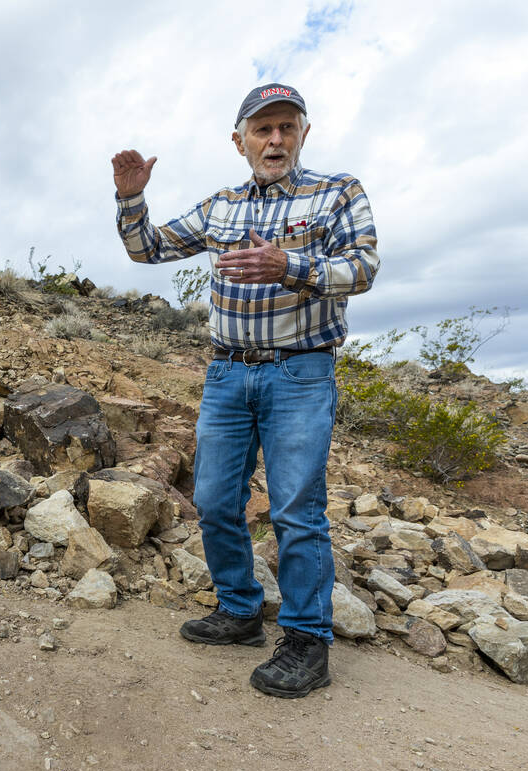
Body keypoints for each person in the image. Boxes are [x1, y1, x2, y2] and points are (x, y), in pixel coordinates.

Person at [111, 83, 379, 698]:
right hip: (227, 372)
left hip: (301, 372)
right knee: (213, 498)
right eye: (263, 130)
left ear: (304, 134)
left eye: (287, 127)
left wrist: (291, 267)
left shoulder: (337, 192)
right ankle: (238, 612)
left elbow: (363, 268)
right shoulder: (220, 206)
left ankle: (308, 641)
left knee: (294, 508)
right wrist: (132, 199)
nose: (275, 139)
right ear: (240, 142)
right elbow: (146, 250)